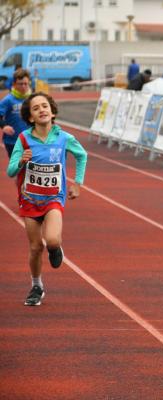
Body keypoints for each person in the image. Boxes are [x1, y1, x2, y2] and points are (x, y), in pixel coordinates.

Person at [6, 92, 88, 306]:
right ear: (31, 117)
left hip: (54, 198)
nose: (42, 109)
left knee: (51, 240)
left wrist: (77, 183)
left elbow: (82, 155)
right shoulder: (23, 139)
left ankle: (55, 248)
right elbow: (10, 171)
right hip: (29, 199)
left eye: (45, 106)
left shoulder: (64, 138)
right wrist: (21, 162)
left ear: (52, 112)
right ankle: (37, 286)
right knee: (35, 248)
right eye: (36, 108)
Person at [0, 69, 32, 158]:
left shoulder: (32, 99)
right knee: (17, 168)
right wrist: (4, 126)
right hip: (13, 141)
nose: (23, 86)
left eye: (26, 83)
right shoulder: (8, 100)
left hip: (30, 140)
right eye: (20, 84)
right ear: (14, 84)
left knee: (31, 168)